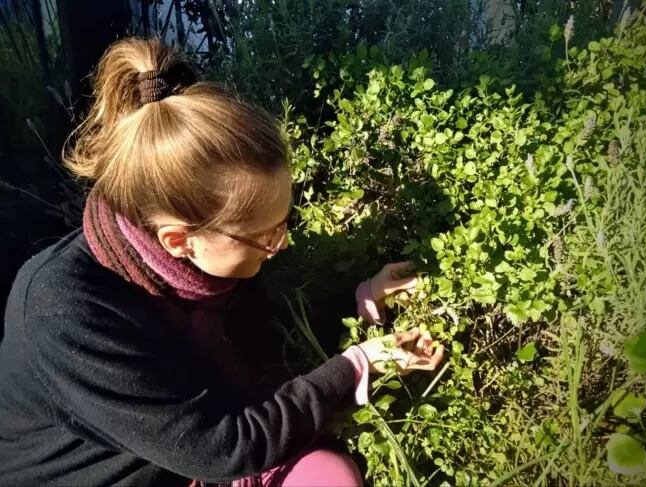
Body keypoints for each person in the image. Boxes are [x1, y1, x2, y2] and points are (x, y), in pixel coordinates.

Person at [0, 38, 444, 486]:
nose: (284, 245)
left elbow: (267, 330)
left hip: (197, 448)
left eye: (284, 221)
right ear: (179, 241)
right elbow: (225, 448)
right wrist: (355, 368)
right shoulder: (65, 316)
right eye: (266, 235)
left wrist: (362, 299)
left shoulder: (192, 253)